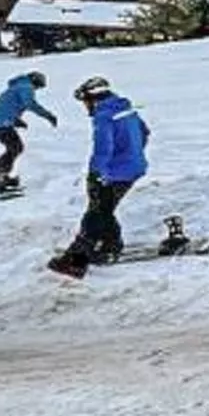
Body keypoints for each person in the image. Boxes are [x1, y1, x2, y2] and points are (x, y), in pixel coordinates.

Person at [47, 76, 152, 278]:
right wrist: (133, 155)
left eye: (85, 101)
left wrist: (97, 173)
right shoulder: (125, 108)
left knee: (95, 214)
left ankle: (76, 262)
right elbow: (145, 132)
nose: (85, 107)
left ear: (92, 99)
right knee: (104, 209)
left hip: (114, 173)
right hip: (134, 169)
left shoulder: (104, 116)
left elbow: (103, 148)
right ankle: (111, 245)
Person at [0, 71, 57, 191]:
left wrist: (16, 120)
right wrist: (48, 115)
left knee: (14, 148)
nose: (36, 89)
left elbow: (9, 105)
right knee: (15, 148)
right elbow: (30, 104)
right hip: (1, 122)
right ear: (35, 81)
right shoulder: (26, 87)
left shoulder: (19, 86)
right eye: (37, 86)